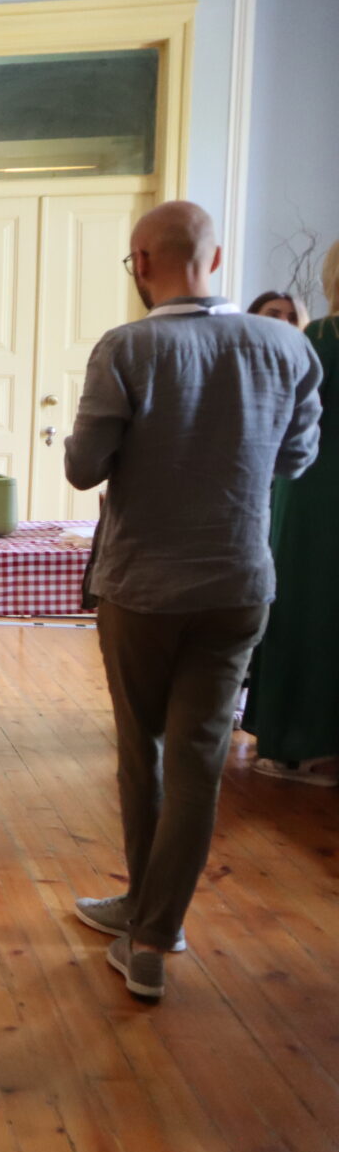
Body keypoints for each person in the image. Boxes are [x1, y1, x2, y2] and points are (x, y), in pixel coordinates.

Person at [58, 201, 321, 1000]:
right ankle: (151, 921)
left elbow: (82, 467)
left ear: (141, 263)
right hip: (238, 582)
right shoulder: (287, 345)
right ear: (216, 258)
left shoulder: (127, 348)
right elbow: (296, 460)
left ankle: (147, 926)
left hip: (143, 586)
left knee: (143, 752)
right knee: (200, 759)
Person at [247, 244, 339, 785]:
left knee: (309, 609)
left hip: (315, 494)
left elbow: (282, 421)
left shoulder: (321, 339)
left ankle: (308, 746)